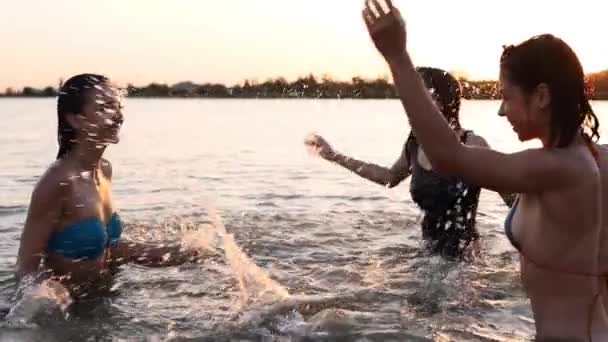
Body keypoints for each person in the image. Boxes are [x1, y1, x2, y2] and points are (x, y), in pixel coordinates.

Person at [359, 0, 607, 339]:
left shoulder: (559, 167)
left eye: (506, 97)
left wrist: (397, 57)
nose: (501, 112)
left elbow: (449, 156)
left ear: (542, 96)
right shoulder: (583, 159)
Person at [15, 74, 205, 301]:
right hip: (68, 315)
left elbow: (108, 248)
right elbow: (25, 269)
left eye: (118, 106)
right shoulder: (58, 182)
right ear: (76, 120)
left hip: (105, 299)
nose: (117, 116)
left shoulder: (104, 170)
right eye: (105, 107)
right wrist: (49, 294)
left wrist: (167, 252)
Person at [306, 67, 514, 260]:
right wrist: (335, 156)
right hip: (427, 257)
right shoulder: (415, 144)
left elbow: (511, 198)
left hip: (467, 264)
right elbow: (388, 177)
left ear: (439, 101)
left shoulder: (472, 144)